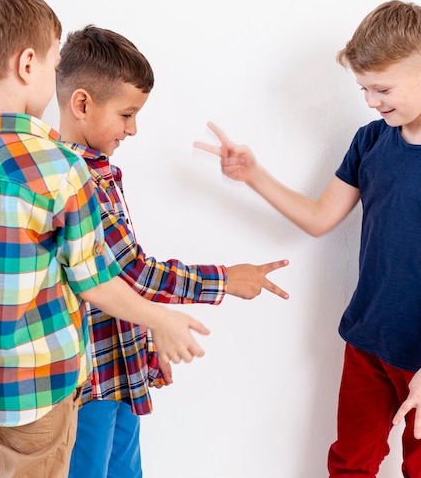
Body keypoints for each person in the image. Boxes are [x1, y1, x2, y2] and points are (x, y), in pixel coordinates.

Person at [0, 0, 209, 478]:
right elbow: (94, 279)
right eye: (51, 63)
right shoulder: (60, 168)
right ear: (28, 65)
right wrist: (158, 318)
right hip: (37, 392)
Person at [194, 0, 421, 477]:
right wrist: (254, 175)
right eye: (363, 89)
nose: (372, 101)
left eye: (381, 88)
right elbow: (319, 217)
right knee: (351, 462)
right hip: (368, 341)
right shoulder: (371, 142)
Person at [55, 25, 290, 478]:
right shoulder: (73, 178)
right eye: (126, 114)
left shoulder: (98, 171)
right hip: (88, 381)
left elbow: (117, 276)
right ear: (82, 104)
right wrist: (227, 279)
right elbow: (134, 272)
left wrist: (143, 338)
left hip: (117, 368)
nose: (134, 128)